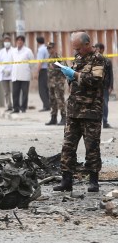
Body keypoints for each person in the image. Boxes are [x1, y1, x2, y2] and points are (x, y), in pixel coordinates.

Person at [53, 32, 106, 193]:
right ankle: (66, 180)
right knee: (68, 147)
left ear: (87, 44)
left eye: (78, 48)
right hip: (73, 110)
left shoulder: (98, 59)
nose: (76, 51)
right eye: (74, 49)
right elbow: (76, 80)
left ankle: (93, 181)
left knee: (92, 147)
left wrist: (75, 75)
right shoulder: (78, 58)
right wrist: (68, 74)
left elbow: (95, 80)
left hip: (91, 110)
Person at [10, 35, 34, 113]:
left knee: (24, 93)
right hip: (15, 75)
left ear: (23, 42)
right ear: (16, 42)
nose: (19, 42)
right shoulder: (13, 51)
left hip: (25, 75)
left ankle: (23, 107)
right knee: (15, 93)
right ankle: (16, 108)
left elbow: (32, 62)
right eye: (18, 40)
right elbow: (11, 62)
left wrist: (28, 69)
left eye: (21, 40)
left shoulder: (28, 51)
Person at [45, 42, 67, 126]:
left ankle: (64, 117)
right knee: (52, 100)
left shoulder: (59, 57)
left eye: (50, 48)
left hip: (58, 82)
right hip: (51, 82)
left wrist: (57, 67)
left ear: (54, 48)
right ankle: (53, 117)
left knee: (60, 99)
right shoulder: (49, 57)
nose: (49, 50)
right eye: (48, 48)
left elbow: (65, 67)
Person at [95, 43, 113, 128]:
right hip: (95, 87)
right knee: (95, 105)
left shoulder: (107, 61)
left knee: (104, 104)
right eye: (96, 49)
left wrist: (111, 86)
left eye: (98, 49)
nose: (97, 51)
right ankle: (96, 123)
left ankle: (105, 122)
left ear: (102, 50)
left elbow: (111, 74)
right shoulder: (93, 60)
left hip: (105, 86)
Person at [0, 35, 14, 111]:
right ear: (3, 42)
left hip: (12, 73)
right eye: (5, 41)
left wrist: (10, 70)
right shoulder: (1, 52)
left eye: (8, 41)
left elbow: (16, 61)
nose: (7, 42)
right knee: (6, 92)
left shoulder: (14, 51)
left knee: (14, 90)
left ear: (10, 42)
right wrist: (3, 70)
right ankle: (9, 105)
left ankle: (16, 105)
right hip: (3, 74)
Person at [36, 36, 51, 112]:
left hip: (43, 70)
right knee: (46, 88)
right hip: (48, 70)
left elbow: (40, 62)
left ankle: (46, 105)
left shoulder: (40, 50)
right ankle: (48, 104)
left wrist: (37, 72)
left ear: (37, 42)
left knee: (42, 89)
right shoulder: (46, 48)